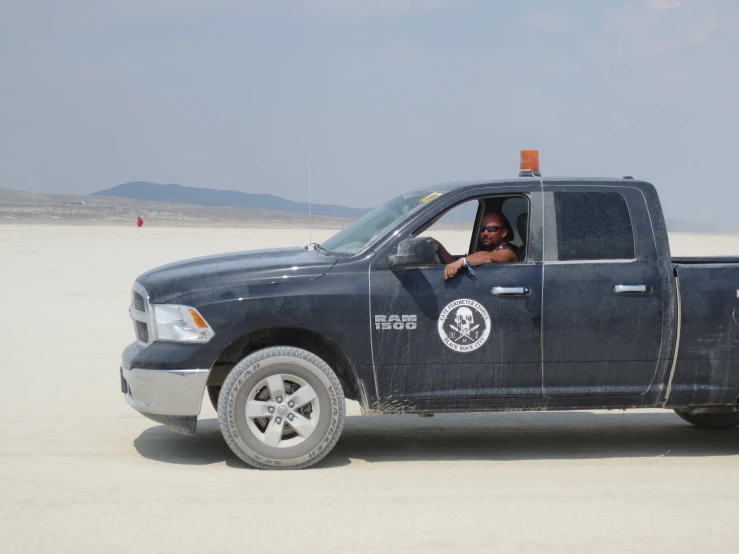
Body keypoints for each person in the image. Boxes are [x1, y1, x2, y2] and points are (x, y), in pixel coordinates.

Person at [434, 211, 517, 280]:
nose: (485, 233)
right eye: (482, 229)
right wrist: (440, 248)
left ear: (503, 233)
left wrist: (462, 261)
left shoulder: (508, 252)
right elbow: (454, 266)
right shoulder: (485, 249)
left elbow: (486, 256)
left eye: (491, 229)